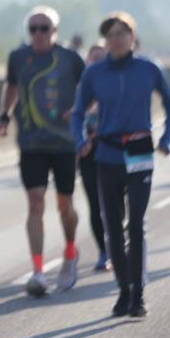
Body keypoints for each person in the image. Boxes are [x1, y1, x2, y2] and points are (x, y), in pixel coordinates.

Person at [71, 11, 170, 318]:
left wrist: (168, 137)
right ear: (105, 41)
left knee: (136, 224)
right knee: (113, 229)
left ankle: (139, 294)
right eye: (110, 35)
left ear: (132, 37)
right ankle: (124, 290)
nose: (116, 39)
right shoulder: (95, 73)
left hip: (140, 149)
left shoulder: (148, 68)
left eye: (121, 33)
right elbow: (78, 113)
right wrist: (80, 142)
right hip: (107, 152)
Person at [0, 6, 85, 297]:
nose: (37, 33)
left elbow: (89, 90)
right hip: (31, 143)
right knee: (35, 202)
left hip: (64, 143)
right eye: (33, 28)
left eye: (43, 28)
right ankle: (37, 272)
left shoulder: (70, 59)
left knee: (64, 206)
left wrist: (80, 111)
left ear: (54, 31)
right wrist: (4, 114)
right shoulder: (18, 57)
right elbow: (11, 87)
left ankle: (71, 251)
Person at [77, 41, 111, 271]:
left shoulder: (117, 84)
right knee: (94, 204)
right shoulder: (79, 88)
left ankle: (120, 240)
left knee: (116, 204)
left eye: (102, 58)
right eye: (93, 58)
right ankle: (103, 251)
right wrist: (81, 139)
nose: (96, 62)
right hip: (88, 152)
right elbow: (73, 118)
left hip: (114, 151)